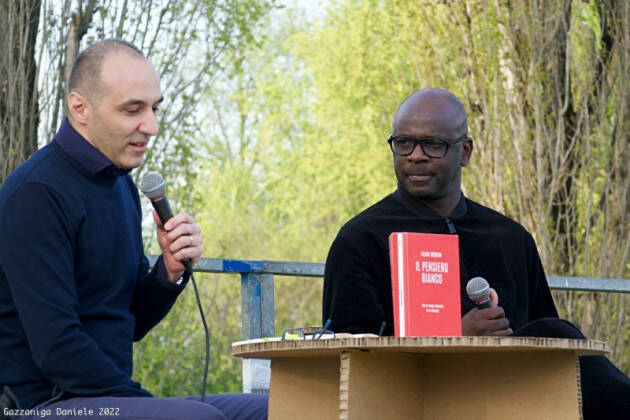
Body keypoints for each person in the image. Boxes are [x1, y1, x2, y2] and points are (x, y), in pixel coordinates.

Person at [322, 88, 630, 419]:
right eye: (404, 144)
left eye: (433, 145)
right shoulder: (360, 239)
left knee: (558, 334)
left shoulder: (510, 238)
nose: (415, 156)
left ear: (465, 151)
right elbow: (348, 361)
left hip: (518, 401)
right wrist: (455, 339)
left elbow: (548, 345)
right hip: (417, 402)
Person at [0, 39, 267, 420]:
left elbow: (129, 322)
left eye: (154, 108)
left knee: (284, 408)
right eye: (133, 109)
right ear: (80, 108)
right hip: (43, 406)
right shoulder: (36, 194)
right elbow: (57, 349)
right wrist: (151, 403)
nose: (152, 126)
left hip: (108, 399)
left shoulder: (121, 185)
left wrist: (168, 272)